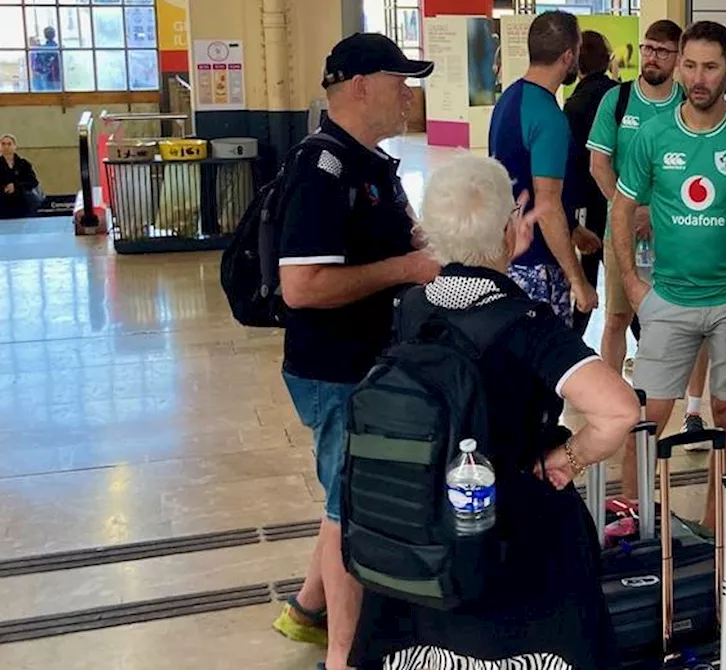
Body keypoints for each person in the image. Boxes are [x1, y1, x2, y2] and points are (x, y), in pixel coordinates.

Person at [350, 154, 639, 670]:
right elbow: (618, 410)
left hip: (422, 527)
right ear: (511, 230)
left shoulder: (410, 309)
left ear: (430, 232)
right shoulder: (525, 324)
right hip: (516, 539)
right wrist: (568, 460)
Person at [271, 33, 439, 670]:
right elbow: (302, 286)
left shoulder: (371, 163)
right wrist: (406, 268)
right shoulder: (323, 169)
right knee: (352, 509)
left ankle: (307, 611)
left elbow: (411, 245)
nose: (409, 94)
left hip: (365, 363)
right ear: (361, 85)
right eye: (400, 80)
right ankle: (342, 657)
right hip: (333, 368)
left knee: (346, 495)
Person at [611, 20, 726, 528]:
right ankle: (635, 519)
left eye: (710, 67)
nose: (698, 77)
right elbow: (621, 207)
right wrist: (632, 281)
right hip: (669, 299)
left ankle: (720, 532)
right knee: (648, 418)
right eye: (689, 64)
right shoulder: (652, 135)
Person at [587, 19, 713, 500]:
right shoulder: (617, 101)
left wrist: (660, 213)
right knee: (617, 316)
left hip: (679, 236)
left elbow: (702, 169)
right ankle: (611, 404)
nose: (654, 57)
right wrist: (627, 207)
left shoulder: (689, 105)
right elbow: (599, 162)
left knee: (690, 321)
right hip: (622, 235)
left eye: (663, 50)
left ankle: (694, 407)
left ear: (678, 56)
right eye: (648, 49)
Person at [490, 10, 599, 327]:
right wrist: (578, 281)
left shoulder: (509, 99)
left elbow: (519, 179)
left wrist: (574, 231)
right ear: (568, 56)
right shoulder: (549, 117)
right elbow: (547, 206)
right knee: (545, 370)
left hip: (509, 258)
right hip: (539, 267)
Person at [564, 30, 618, 336]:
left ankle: (573, 339)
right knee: (624, 275)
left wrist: (571, 219)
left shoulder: (575, 104)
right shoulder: (620, 96)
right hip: (618, 197)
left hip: (587, 202)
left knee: (584, 276)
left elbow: (570, 165)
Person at [0, 134, 42, 219]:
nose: (6, 146)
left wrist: (15, 186)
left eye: (9, 144)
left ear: (15, 146)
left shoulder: (23, 164)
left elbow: (33, 182)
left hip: (23, 205)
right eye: (3, 144)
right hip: (2, 205)